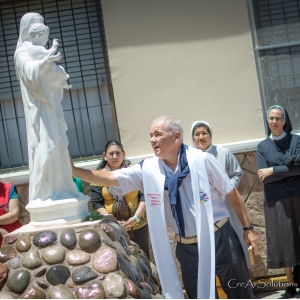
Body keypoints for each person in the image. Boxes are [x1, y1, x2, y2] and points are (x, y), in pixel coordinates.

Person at [71, 116, 257, 299]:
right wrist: (75, 171)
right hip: (188, 248)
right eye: (151, 135)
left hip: (220, 237)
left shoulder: (202, 160)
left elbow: (231, 193)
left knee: (239, 291)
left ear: (176, 136)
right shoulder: (149, 169)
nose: (152, 140)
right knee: (200, 295)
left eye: (158, 134)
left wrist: (248, 229)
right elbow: (111, 178)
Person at [14, 13, 83, 202]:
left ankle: (62, 187)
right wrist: (46, 62)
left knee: (58, 143)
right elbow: (30, 74)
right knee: (45, 145)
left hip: (51, 106)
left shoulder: (39, 49)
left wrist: (58, 75)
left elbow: (51, 74)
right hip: (39, 110)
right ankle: (47, 192)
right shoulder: (22, 52)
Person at [190, 120, 250, 267]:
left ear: (210, 135)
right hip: (206, 208)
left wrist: (226, 188)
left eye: (204, 133)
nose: (201, 137)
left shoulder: (224, 153)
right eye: (197, 134)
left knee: (234, 239)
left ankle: (242, 276)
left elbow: (237, 174)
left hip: (227, 204)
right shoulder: (190, 158)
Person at [257, 105, 300, 299]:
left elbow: (298, 169)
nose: (275, 121)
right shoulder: (262, 147)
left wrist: (273, 170)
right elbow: (262, 176)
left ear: (285, 120)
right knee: (284, 241)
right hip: (276, 200)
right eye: (272, 118)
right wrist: (288, 168)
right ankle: (290, 284)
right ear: (268, 121)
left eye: (278, 118)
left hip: (297, 196)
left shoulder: (296, 140)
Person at [90, 140, 149, 257]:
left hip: (137, 225)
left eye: (118, 153)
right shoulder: (98, 176)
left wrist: (135, 218)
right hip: (112, 228)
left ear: (124, 154)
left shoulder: (134, 172)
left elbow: (145, 196)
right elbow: (97, 203)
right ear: (104, 156)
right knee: (121, 260)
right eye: (111, 154)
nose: (115, 156)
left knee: (142, 258)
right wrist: (113, 221)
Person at [27, 23, 72, 91]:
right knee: (60, 69)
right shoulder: (38, 48)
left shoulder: (30, 48)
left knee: (57, 72)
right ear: (39, 36)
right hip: (46, 68)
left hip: (43, 69)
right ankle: (63, 81)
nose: (47, 39)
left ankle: (62, 82)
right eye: (46, 37)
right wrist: (54, 47)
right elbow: (48, 54)